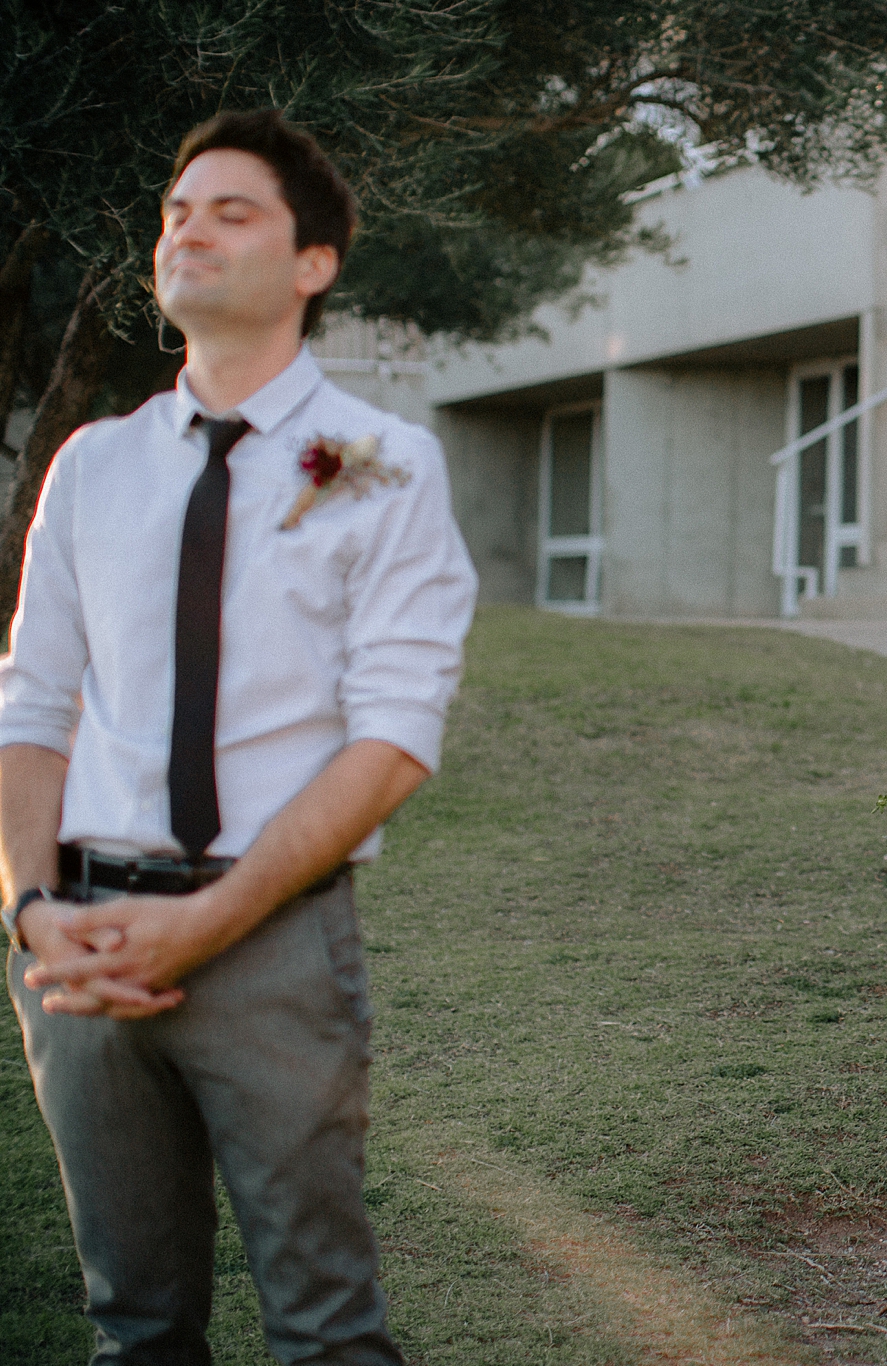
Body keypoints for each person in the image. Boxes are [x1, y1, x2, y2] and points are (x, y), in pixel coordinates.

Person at [0, 110, 476, 1362]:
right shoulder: (91, 466)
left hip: (273, 946)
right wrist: (31, 908)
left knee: (324, 1329)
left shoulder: (378, 462)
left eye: (231, 210)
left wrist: (211, 919)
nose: (188, 230)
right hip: (82, 951)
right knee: (132, 1328)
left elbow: (393, 736)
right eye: (175, 212)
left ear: (314, 261)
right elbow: (31, 705)